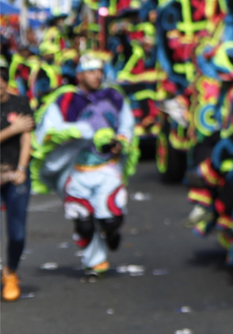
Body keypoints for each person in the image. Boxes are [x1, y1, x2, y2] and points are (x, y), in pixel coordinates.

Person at [33, 53, 135, 278]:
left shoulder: (113, 97)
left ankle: (110, 232)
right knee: (84, 224)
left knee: (109, 220)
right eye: (91, 71)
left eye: (99, 71)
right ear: (79, 75)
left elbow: (127, 125)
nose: (96, 75)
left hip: (108, 168)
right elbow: (46, 133)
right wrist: (77, 132)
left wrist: (120, 141)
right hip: (76, 171)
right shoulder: (66, 100)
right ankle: (95, 262)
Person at [0, 73, 31, 300]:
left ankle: (11, 272)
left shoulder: (19, 102)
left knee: (17, 233)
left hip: (15, 173)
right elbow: (17, 131)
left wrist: (21, 169)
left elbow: (26, 138)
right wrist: (12, 129)